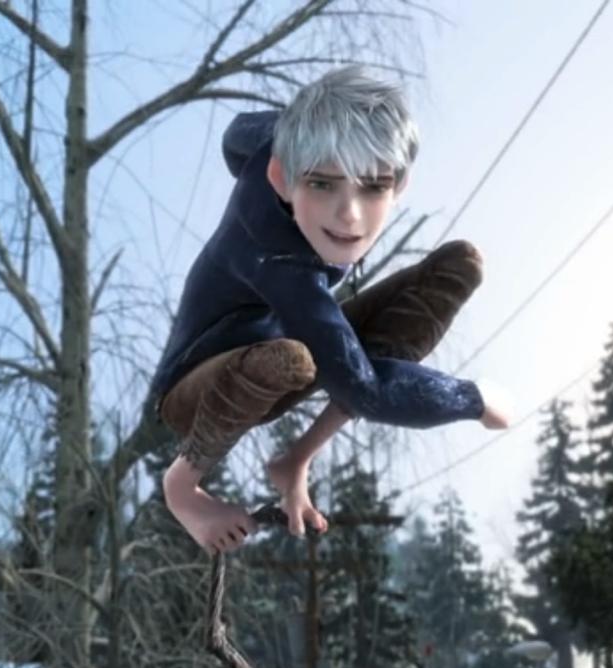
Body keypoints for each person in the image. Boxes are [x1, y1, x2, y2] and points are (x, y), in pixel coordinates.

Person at [151, 65, 509, 554]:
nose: (350, 216)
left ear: (400, 184)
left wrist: (316, 132)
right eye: (322, 185)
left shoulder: (281, 141)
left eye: (372, 187)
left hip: (288, 333)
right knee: (293, 360)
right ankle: (181, 488)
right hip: (199, 384)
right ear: (281, 178)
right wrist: (471, 399)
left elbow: (236, 135)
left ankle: (295, 460)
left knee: (455, 269)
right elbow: (370, 393)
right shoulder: (279, 262)